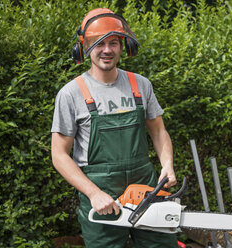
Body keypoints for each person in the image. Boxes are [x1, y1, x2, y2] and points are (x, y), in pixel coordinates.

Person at [51, 8, 178, 248]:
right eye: (98, 43)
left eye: (113, 42)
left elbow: (159, 131)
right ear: (84, 47)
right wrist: (93, 193)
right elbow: (59, 154)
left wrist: (167, 165)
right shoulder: (71, 93)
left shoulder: (140, 84)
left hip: (145, 187)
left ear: (123, 46)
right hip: (100, 191)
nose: (107, 50)